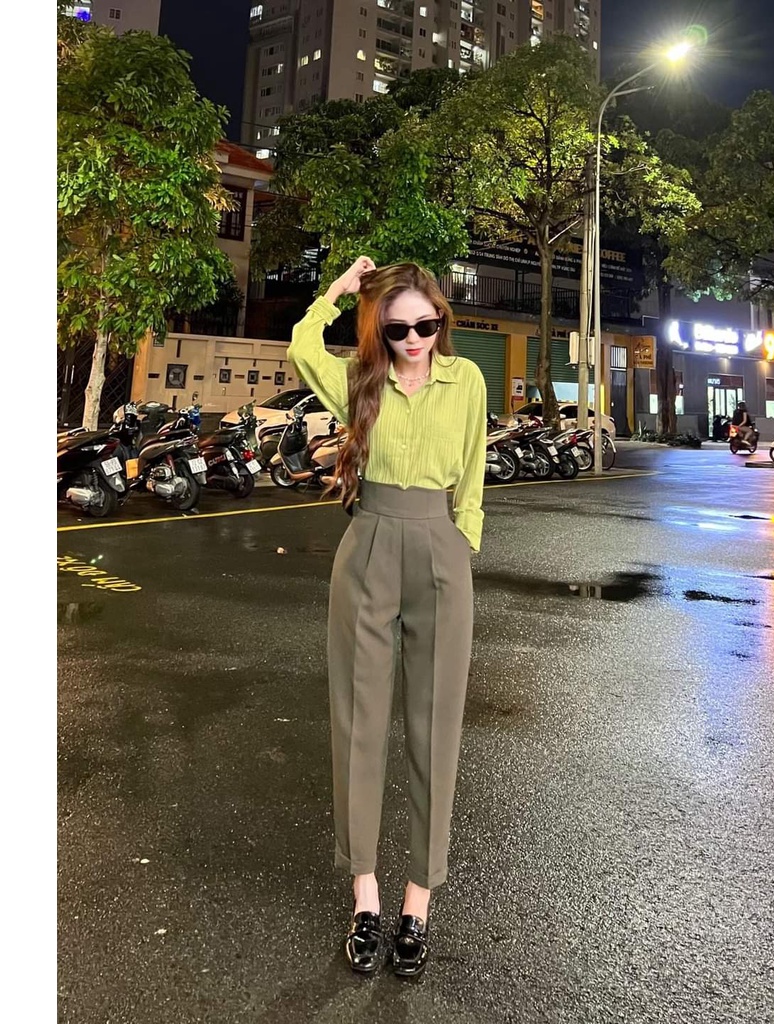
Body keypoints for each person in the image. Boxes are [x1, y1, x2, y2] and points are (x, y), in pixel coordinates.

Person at [286, 256, 486, 978]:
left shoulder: (467, 381)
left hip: (439, 549)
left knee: (436, 730)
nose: (412, 340)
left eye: (424, 326)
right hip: (368, 544)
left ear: (440, 321)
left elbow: (473, 471)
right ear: (380, 329)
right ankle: (365, 898)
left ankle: (417, 904)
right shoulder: (361, 381)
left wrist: (462, 543)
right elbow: (302, 347)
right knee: (359, 725)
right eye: (397, 329)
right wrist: (338, 291)